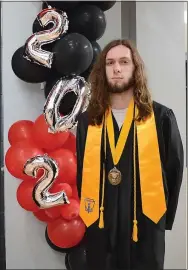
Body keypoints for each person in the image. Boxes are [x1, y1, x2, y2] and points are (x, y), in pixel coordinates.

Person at [76, 39, 184, 270]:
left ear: (136, 68)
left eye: (124, 62)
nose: (117, 68)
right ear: (102, 71)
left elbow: (174, 170)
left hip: (143, 225)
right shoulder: (88, 120)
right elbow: (81, 173)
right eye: (110, 63)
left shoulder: (160, 117)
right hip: (100, 223)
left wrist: (163, 219)